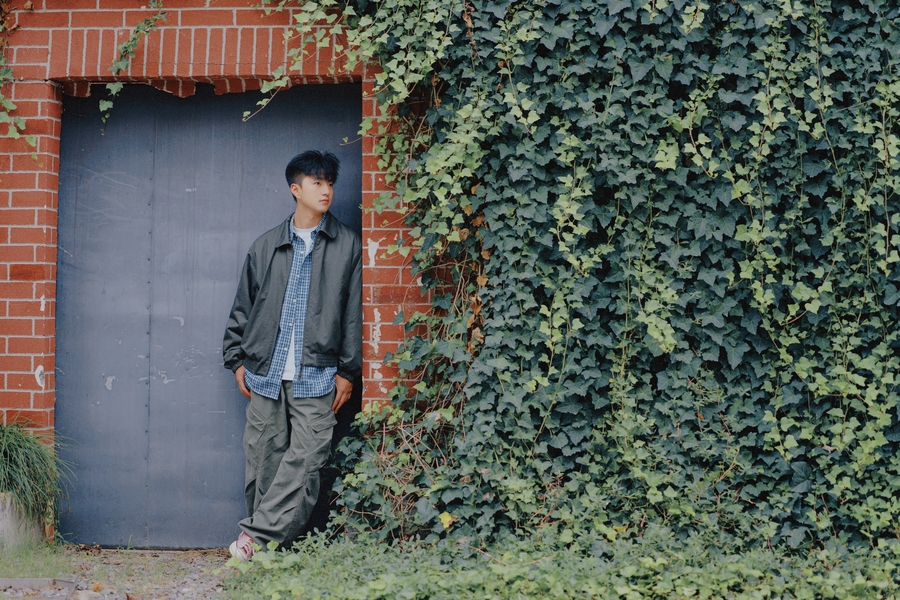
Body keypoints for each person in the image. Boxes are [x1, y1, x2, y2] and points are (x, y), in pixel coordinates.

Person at [222, 150, 362, 561]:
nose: (326, 190)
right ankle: (268, 552)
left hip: (318, 372)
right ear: (295, 189)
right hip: (264, 371)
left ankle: (254, 539)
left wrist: (348, 370)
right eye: (317, 183)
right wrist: (236, 359)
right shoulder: (266, 246)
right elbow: (243, 307)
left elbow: (353, 312)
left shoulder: (347, 245)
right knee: (263, 459)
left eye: (330, 183)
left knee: (308, 458)